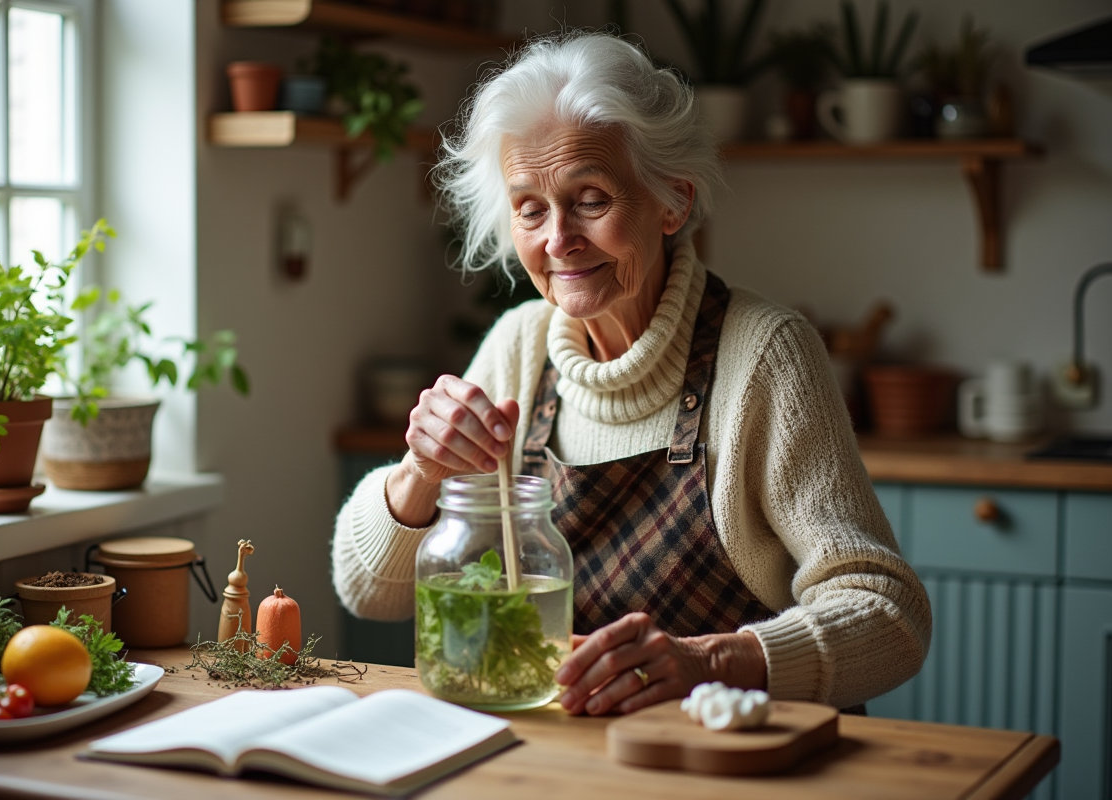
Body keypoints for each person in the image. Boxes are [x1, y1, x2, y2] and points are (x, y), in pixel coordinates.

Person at [333, 31, 931, 716]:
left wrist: (711, 663)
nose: (558, 239)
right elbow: (365, 590)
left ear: (672, 202)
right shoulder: (518, 349)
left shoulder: (764, 354)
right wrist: (420, 473)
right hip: (564, 759)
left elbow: (890, 616)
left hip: (725, 759)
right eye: (530, 208)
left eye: (590, 198)